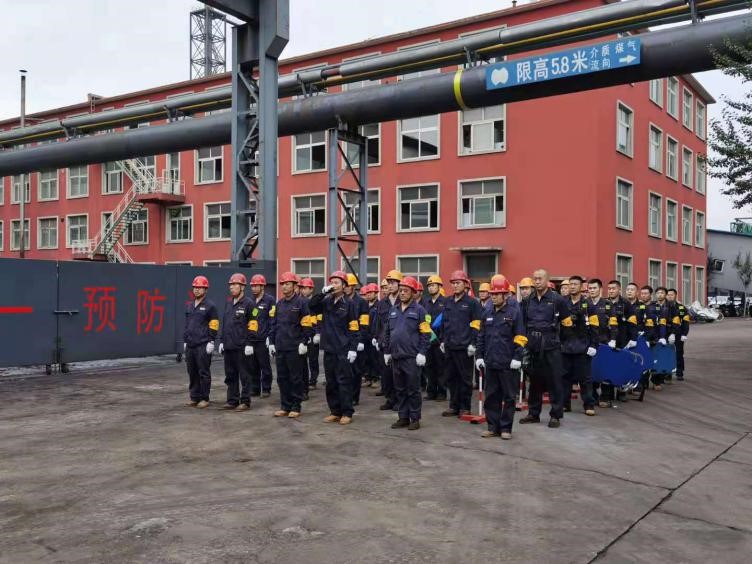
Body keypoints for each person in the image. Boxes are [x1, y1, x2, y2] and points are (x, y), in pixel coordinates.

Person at [519, 269, 573, 428]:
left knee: (555, 381)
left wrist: (560, 343)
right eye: (535, 279)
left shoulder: (557, 300)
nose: (537, 282)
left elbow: (567, 324)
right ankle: (533, 413)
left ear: (547, 280)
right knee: (534, 381)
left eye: (540, 279)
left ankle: (555, 415)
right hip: (533, 345)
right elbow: (523, 323)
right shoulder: (528, 300)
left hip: (551, 346)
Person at [475, 277, 527, 439]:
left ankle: (506, 428)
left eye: (497, 294)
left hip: (508, 363)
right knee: (491, 397)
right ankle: (492, 427)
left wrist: (517, 357)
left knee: (509, 397)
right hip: (491, 362)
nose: (494, 297)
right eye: (492, 294)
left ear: (505, 295)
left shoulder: (514, 312)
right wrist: (479, 356)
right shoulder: (487, 312)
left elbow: (520, 336)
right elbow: (481, 336)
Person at [309, 270, 360, 425]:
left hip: (343, 348)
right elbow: (312, 306)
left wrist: (353, 348)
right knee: (331, 382)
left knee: (343, 381)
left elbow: (354, 327)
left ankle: (347, 412)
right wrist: (321, 293)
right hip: (329, 347)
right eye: (332, 282)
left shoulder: (349, 304)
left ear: (344, 286)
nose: (334, 285)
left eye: (337, 282)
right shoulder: (326, 301)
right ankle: (335, 411)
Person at [384, 276, 431, 431]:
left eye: (406, 291)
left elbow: (426, 334)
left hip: (411, 358)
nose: (402, 293)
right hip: (396, 357)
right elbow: (388, 332)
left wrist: (422, 352)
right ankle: (403, 417)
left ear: (413, 292)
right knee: (400, 389)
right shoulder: (393, 310)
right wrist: (387, 351)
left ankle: (415, 418)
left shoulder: (420, 311)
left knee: (413, 389)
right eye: (401, 290)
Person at [269, 272, 313, 419]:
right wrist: (272, 342)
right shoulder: (279, 304)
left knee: (295, 378)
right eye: (283, 284)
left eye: (287, 284)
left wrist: (305, 341)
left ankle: (295, 406)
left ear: (295, 286)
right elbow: (274, 324)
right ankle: (285, 406)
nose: (284, 287)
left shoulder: (301, 303)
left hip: (295, 347)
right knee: (282, 378)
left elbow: (307, 324)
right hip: (281, 346)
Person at [440, 270, 483, 417]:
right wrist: (442, 340)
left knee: (465, 379)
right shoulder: (448, 302)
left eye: (458, 283)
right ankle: (454, 406)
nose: (455, 285)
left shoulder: (472, 303)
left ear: (465, 284)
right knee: (451, 378)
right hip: (450, 346)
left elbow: (477, 324)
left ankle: (465, 407)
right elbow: (444, 323)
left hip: (465, 348)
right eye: (453, 283)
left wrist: (473, 343)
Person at [560, 275, 597, 416]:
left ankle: (589, 405)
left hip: (583, 347)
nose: (573, 286)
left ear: (581, 287)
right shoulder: (563, 303)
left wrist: (594, 345)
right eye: (571, 284)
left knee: (585, 379)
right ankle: (565, 404)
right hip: (565, 346)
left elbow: (594, 326)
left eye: (576, 284)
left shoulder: (588, 305)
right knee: (564, 377)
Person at [218, 273, 254, 411]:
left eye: (235, 285)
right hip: (229, 346)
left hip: (242, 346)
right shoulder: (228, 303)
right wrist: (222, 341)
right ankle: (232, 400)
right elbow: (225, 324)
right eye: (231, 285)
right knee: (230, 375)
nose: (232, 287)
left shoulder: (249, 304)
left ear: (242, 287)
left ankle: (245, 401)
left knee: (245, 375)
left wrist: (250, 343)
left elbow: (254, 324)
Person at [183, 276, 219, 409]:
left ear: (205, 289)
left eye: (200, 288)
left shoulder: (210, 306)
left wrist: (211, 340)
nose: (197, 290)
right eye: (195, 287)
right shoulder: (190, 305)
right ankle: (194, 397)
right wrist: (185, 340)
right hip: (191, 345)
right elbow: (187, 324)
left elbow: (214, 324)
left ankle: (204, 398)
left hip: (203, 345)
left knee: (203, 372)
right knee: (192, 371)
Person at [603, 280, 638, 406]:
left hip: (622, 339)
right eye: (609, 288)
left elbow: (632, 322)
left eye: (613, 288)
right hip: (607, 340)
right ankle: (607, 394)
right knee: (607, 367)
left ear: (619, 289)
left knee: (621, 366)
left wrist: (633, 338)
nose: (611, 291)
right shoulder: (604, 303)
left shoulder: (626, 304)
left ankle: (621, 392)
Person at [374, 270, 403, 410]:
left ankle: (399, 401)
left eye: (393, 283)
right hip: (385, 344)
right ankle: (390, 399)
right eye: (388, 283)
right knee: (386, 374)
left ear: (399, 284)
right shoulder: (382, 303)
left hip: (399, 343)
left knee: (398, 374)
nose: (390, 286)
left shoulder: (403, 301)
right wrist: (377, 338)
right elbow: (378, 323)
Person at [343, 273, 370, 406]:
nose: (346, 288)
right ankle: (345, 395)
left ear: (353, 286)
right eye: (345, 285)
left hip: (356, 338)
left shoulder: (362, 302)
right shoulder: (340, 301)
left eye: (348, 285)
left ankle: (354, 397)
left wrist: (361, 340)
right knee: (344, 370)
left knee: (356, 371)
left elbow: (364, 323)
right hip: (343, 340)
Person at [586, 278, 614, 406]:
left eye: (594, 288)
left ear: (600, 289)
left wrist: (613, 339)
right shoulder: (584, 303)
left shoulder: (607, 304)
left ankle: (605, 397)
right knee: (590, 371)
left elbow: (613, 323)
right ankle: (592, 396)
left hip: (604, 342)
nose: (592, 290)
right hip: (588, 343)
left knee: (605, 370)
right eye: (590, 288)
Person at [248, 274, 276, 398]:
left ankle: (266, 388)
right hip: (252, 338)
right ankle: (255, 388)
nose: (254, 288)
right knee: (253, 365)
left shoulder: (270, 300)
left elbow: (272, 319)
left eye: (256, 286)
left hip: (263, 339)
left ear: (262, 286)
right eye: (252, 286)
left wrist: (270, 337)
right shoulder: (250, 301)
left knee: (264, 365)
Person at [422, 275, 447, 401]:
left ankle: (442, 392)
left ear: (439, 286)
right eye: (429, 286)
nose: (431, 288)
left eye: (433, 285)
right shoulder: (425, 303)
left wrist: (443, 339)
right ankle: (431, 391)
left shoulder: (445, 302)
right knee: (429, 367)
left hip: (440, 340)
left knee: (441, 367)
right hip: (428, 340)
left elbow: (447, 322)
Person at [298, 277, 320, 390]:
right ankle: (303, 381)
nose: (303, 290)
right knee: (302, 359)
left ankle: (313, 380)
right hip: (302, 334)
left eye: (306, 288)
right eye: (302, 288)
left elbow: (319, 318)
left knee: (313, 359)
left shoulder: (316, 302)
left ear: (311, 289)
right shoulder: (299, 301)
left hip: (313, 333)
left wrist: (318, 333)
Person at [666, 288, 690, 381]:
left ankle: (679, 372)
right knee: (667, 353)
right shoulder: (663, 306)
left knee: (679, 353)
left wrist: (684, 334)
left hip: (678, 333)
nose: (669, 296)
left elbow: (685, 322)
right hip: (666, 333)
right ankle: (667, 373)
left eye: (671, 295)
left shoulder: (681, 308)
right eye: (668, 295)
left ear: (675, 296)